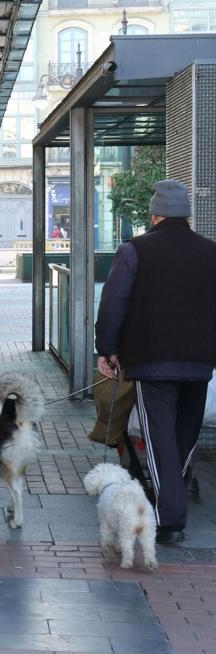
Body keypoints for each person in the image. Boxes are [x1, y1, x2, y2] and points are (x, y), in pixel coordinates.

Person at [95, 180, 216, 545]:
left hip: (151, 362)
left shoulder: (135, 251)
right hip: (199, 363)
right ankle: (170, 501)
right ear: (188, 213)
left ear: (154, 212)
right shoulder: (211, 252)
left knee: (160, 437)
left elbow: (113, 302)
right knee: (183, 437)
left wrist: (107, 349)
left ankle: (169, 519)